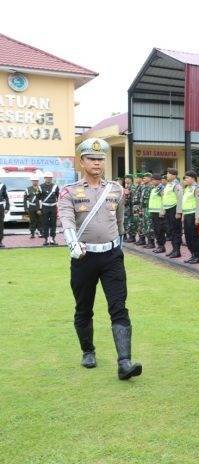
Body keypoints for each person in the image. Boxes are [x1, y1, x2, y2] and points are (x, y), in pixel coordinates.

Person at [58, 138, 142, 380]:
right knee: (84, 307)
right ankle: (88, 351)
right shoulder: (70, 191)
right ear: (82, 162)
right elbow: (66, 218)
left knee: (119, 306)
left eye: (100, 159)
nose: (97, 162)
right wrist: (72, 242)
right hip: (84, 257)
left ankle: (124, 362)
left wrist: (119, 244)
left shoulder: (115, 189)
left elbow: (120, 221)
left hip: (112, 257)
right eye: (92, 159)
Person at [181, 171, 199, 264]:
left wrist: (198, 217)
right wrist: (183, 215)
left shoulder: (197, 189)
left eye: (187, 178)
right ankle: (192, 255)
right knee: (188, 236)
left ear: (193, 178)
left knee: (194, 236)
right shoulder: (187, 189)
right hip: (187, 215)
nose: (185, 180)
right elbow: (184, 203)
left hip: (193, 215)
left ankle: (197, 256)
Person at [161, 167, 183, 258]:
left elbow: (180, 199)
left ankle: (177, 251)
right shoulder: (168, 185)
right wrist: (163, 210)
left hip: (174, 210)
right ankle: (174, 249)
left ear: (174, 175)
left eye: (169, 174)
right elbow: (165, 198)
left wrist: (178, 212)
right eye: (167, 173)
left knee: (176, 231)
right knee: (171, 231)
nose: (167, 175)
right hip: (168, 210)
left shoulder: (176, 185)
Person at [39, 171, 59, 246]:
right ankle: (46, 239)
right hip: (45, 207)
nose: (49, 179)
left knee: (53, 223)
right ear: (44, 178)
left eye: (50, 178)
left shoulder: (55, 186)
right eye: (47, 178)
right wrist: (39, 209)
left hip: (53, 207)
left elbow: (58, 197)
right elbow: (38, 198)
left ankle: (53, 239)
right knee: (45, 223)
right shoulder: (40, 187)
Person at [148, 174, 166, 253]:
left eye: (153, 180)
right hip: (153, 212)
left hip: (159, 212)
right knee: (156, 229)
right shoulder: (154, 188)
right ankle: (159, 245)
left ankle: (161, 246)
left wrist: (162, 210)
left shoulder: (161, 188)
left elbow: (163, 200)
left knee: (160, 230)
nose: (152, 181)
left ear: (158, 180)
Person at [137, 173, 154, 248]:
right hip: (143, 208)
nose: (143, 179)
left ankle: (151, 242)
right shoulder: (143, 187)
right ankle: (146, 241)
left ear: (150, 178)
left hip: (149, 208)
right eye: (143, 178)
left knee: (149, 225)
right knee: (144, 225)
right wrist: (140, 209)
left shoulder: (152, 187)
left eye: (145, 177)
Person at [23, 175, 42, 239]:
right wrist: (25, 208)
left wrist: (40, 208)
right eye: (34, 181)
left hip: (39, 207)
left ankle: (40, 232)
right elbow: (25, 199)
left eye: (36, 181)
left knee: (40, 220)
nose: (35, 182)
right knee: (32, 220)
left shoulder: (41, 188)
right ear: (32, 181)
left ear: (38, 181)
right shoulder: (28, 189)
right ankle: (32, 233)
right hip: (31, 207)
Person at [123, 175, 135, 242]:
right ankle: (127, 236)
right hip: (126, 208)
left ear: (131, 179)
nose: (126, 180)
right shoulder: (126, 187)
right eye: (125, 179)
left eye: (127, 179)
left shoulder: (133, 188)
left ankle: (132, 237)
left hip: (131, 207)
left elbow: (132, 198)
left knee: (131, 222)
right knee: (126, 222)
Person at [0, 178, 9, 247]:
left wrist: (7, 207)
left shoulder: (2, 185)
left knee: (0, 225)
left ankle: (0, 241)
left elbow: (6, 196)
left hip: (0, 207)